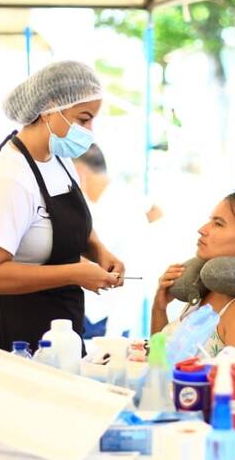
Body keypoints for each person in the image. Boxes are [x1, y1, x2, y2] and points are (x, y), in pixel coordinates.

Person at [0, 61, 124, 371]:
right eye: (83, 119)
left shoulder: (59, 159)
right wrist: (75, 272)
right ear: (50, 108)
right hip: (0, 330)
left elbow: (73, 224)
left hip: (50, 320)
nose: (89, 132)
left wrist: (99, 251)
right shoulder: (10, 177)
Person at [151, 190, 235, 362]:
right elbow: (159, 362)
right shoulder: (205, 290)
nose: (202, 230)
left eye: (218, 224)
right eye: (210, 221)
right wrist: (159, 308)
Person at [74, 143, 153, 338]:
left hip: (108, 316)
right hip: (85, 309)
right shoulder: (87, 199)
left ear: (79, 171)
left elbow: (133, 265)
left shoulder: (124, 202)